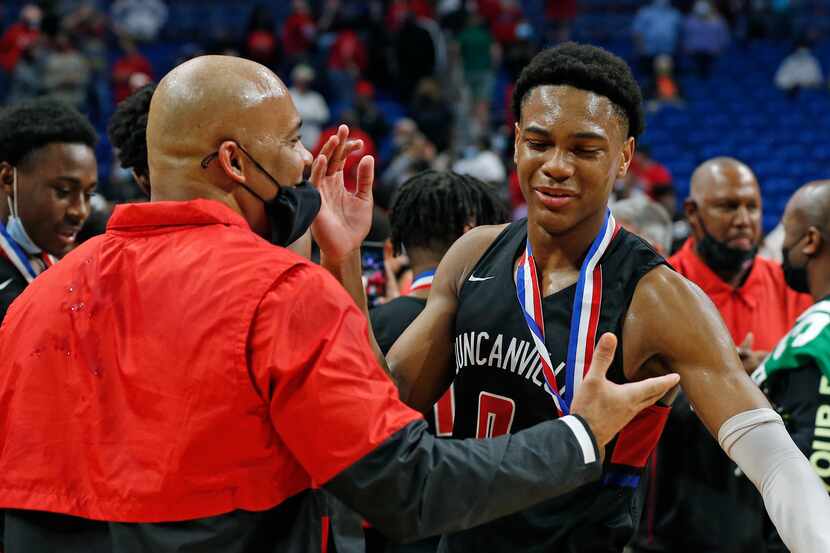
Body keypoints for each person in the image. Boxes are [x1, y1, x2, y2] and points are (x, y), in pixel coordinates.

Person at [0, 55, 678, 553]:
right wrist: (579, 436)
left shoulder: (37, 298)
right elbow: (410, 489)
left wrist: (343, 256)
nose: (303, 162)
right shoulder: (277, 291)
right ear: (235, 164)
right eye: (293, 140)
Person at [333, 42, 830, 552]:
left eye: (584, 149)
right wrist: (343, 256)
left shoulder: (660, 297)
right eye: (539, 142)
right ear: (516, 145)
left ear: (624, 158)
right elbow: (384, 401)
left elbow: (774, 459)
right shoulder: (473, 255)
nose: (556, 165)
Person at [634, 157, 813, 553]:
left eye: (752, 206)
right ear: (693, 214)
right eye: (728, 207)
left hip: (771, 512)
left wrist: (769, 364)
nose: (743, 219)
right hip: (677, 509)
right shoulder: (657, 286)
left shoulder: (791, 287)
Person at [369, 170, 510, 553]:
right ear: (474, 233)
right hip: (482, 523)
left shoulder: (369, 325)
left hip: (394, 528)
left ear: (397, 243)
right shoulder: (509, 325)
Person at [754, 180, 830, 552]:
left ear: (811, 241)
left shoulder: (819, 336)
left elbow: (814, 476)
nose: (781, 245)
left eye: (787, 228)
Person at [0, 98, 98, 321]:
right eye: (63, 191)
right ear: (8, 178)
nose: (80, 211)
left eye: (88, 194)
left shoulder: (55, 267)